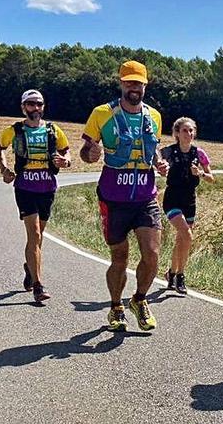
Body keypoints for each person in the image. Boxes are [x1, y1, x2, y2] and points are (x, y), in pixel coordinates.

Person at [80, 60, 169, 332]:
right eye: (129, 82)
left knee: (152, 254)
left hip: (145, 196)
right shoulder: (101, 113)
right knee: (119, 257)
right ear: (121, 83)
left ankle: (139, 300)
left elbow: (153, 149)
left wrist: (159, 162)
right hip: (114, 197)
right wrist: (90, 154)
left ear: (145, 85)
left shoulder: (154, 116)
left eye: (138, 83)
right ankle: (116, 306)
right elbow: (86, 150)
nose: (134, 87)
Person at [0, 89, 71, 303]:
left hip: (48, 187)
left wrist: (66, 161)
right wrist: (4, 169)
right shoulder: (15, 130)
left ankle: (30, 267)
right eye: (31, 104)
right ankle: (38, 285)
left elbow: (66, 151)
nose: (35, 108)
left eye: (39, 104)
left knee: (39, 236)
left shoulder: (54, 129)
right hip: (25, 187)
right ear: (23, 107)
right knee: (34, 234)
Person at [159, 117, 214, 295]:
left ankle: (171, 273)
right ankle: (181, 277)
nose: (188, 134)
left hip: (189, 200)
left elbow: (211, 178)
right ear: (176, 133)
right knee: (187, 235)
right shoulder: (168, 151)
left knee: (181, 239)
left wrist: (200, 174)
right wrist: (162, 167)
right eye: (184, 130)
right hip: (172, 198)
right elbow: (157, 162)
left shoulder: (199, 153)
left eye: (191, 130)